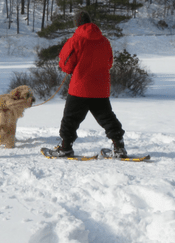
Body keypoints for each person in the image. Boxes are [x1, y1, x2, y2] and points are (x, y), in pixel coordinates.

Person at [52, 10, 127, 158]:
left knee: (70, 119)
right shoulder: (104, 41)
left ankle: (66, 147)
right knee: (107, 118)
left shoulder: (75, 40)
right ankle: (119, 147)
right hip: (100, 88)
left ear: (77, 23)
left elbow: (66, 65)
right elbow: (109, 62)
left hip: (80, 88)